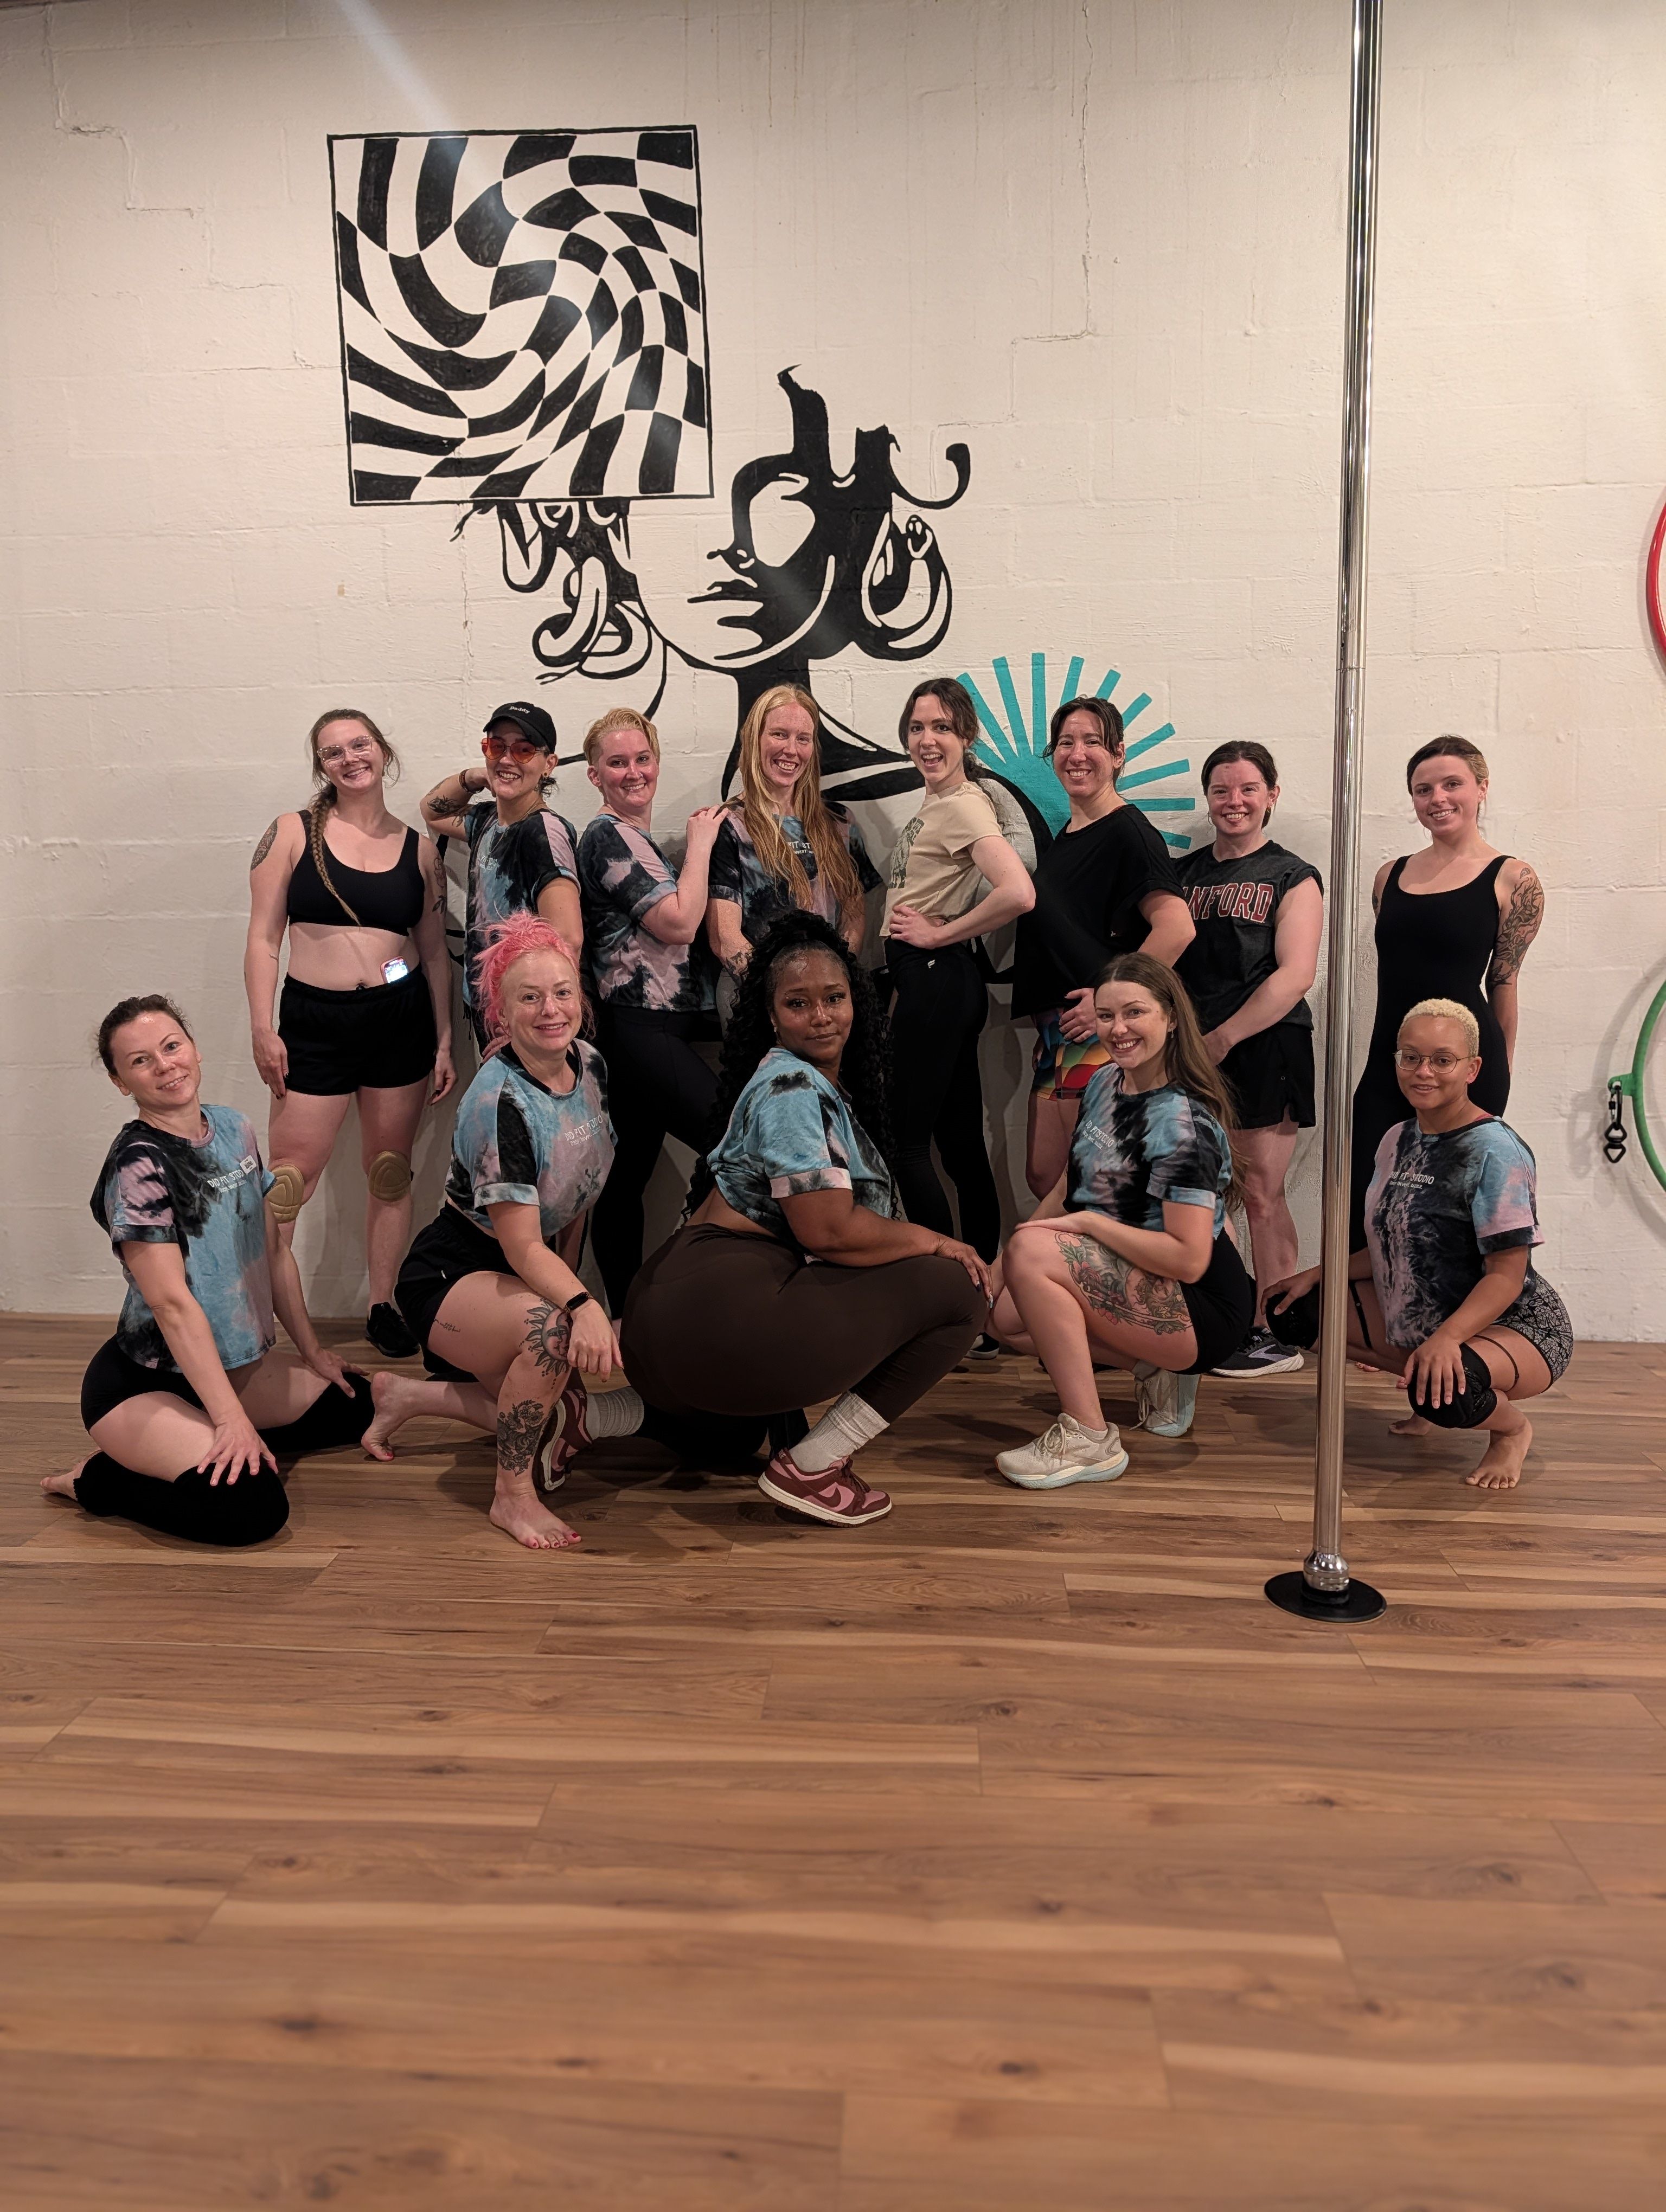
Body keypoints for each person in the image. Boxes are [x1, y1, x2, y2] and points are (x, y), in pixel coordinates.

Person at [621, 913, 991, 1527]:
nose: (821, 1016)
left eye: (835, 998)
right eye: (798, 1003)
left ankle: (593, 1418)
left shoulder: (789, 1082)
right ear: (771, 1015)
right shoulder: (793, 1090)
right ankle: (813, 1467)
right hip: (713, 1311)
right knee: (961, 1291)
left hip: (667, 1329)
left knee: (732, 1442)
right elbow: (830, 1232)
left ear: (857, 1001)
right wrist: (935, 1240)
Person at [43, 996, 373, 1546]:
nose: (166, 1064)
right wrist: (230, 1421)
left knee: (353, 1404)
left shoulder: (233, 1128)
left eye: (172, 1046)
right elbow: (172, 1306)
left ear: (193, 1048)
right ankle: (98, 1478)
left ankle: (184, 1444)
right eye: (141, 1060)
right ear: (120, 1082)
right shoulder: (138, 1166)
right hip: (143, 1385)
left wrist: (313, 1351)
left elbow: (271, 1253)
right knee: (254, 1509)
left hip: (231, 1369)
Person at [368, 916, 653, 1551]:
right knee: (553, 1343)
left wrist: (571, 1292)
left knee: (551, 1398)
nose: (551, 1010)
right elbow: (522, 1244)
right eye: (530, 998)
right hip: (451, 1274)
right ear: (500, 1012)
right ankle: (511, 1497)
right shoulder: (501, 1104)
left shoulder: (591, 1065)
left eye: (562, 992)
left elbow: (578, 1198)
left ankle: (404, 1396)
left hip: (522, 1270)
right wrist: (577, 1306)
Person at [1267, 1000, 1571, 1492]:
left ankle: (1511, 1430)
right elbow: (1396, 1246)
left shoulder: (1496, 1151)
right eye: (1410, 1057)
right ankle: (1427, 1383)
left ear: (1472, 1068)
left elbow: (1506, 1277)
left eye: (1442, 1060)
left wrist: (1449, 1340)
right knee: (1293, 1310)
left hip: (1513, 1322)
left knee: (1447, 1397)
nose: (1423, 1071)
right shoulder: (1396, 1139)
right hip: (1426, 1310)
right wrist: (1320, 1273)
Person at [989, 953, 1254, 1484]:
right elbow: (1069, 1185)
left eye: (1135, 1013)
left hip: (1203, 1302)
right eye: (1106, 1015)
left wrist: (1085, 1228)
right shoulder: (1105, 1083)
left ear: (1172, 1017)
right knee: (1002, 1314)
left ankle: (1089, 1436)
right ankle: (1152, 1367)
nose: (1118, 1029)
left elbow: (1188, 1256)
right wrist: (999, 1268)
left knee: (1034, 1256)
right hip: (1140, 1274)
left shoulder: (1182, 1124)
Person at [246, 708, 455, 1359]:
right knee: (287, 1182)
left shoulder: (419, 850)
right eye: (333, 751)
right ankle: (259, 1316)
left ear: (381, 751)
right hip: (312, 1022)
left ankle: (384, 1305)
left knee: (390, 1171)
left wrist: (445, 1038)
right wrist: (261, 1025)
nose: (349, 758)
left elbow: (434, 951)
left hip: (399, 1019)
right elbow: (262, 938)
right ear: (322, 766)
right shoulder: (291, 832)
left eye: (359, 744)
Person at [881, 678, 1035, 1341]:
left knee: (904, 1144)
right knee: (959, 1146)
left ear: (967, 737)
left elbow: (1019, 891)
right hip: (937, 979)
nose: (927, 739)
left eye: (942, 727)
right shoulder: (942, 803)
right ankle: (976, 1306)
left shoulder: (965, 807)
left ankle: (948, 1297)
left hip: (939, 975)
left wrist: (943, 934)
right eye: (917, 727)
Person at [1349, 735, 1544, 1242]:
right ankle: (1371, 1321)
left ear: (1481, 789)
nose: (1437, 798)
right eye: (1423, 789)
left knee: (1450, 1215)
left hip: (1465, 1066)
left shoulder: (1513, 880)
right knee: (1367, 1209)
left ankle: (1460, 1324)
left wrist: (1495, 1073)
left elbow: (1504, 982)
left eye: (1451, 784)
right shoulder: (1388, 877)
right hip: (1389, 1062)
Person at [1175, 742, 1324, 1378]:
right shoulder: (1183, 875)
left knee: (1261, 1194)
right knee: (1200, 1191)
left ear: (1272, 795)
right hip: (1192, 1051)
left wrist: (1225, 1038)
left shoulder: (1293, 875)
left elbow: (1295, 976)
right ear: (1207, 797)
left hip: (1263, 1046)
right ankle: (1226, 1319)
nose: (1234, 802)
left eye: (1247, 789)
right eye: (1221, 790)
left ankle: (1273, 1330)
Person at [1010, 696, 1195, 1206]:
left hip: (1099, 1035)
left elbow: (1177, 928)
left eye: (1093, 741)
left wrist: (1105, 1003)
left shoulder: (1129, 832)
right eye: (1066, 743)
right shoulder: (1067, 837)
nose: (1078, 753)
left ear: (1118, 755)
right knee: (1046, 1176)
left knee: (1087, 1186)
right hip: (1061, 1032)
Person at [577, 707, 728, 1312]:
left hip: (654, 1028)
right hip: (640, 1026)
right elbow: (679, 922)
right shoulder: (606, 836)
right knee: (731, 1138)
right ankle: (676, 1283)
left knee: (625, 1180)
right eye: (618, 762)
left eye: (642, 759)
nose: (633, 772)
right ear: (595, 775)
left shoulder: (638, 841)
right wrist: (700, 844)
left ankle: (630, 1315)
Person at [705, 683, 879, 1023]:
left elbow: (855, 913)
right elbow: (724, 938)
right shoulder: (727, 825)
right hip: (754, 1003)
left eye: (803, 739)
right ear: (755, 740)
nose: (791, 750)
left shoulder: (840, 822)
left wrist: (829, 988)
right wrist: (784, 998)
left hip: (826, 1005)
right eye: (779, 735)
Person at [419, 699, 583, 1056]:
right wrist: (480, 775)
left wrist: (529, 1028)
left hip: (522, 1022)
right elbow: (432, 809)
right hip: (497, 1010)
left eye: (524, 750)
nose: (508, 759)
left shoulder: (543, 832)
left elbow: (568, 938)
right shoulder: (487, 820)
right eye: (497, 746)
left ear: (548, 764)